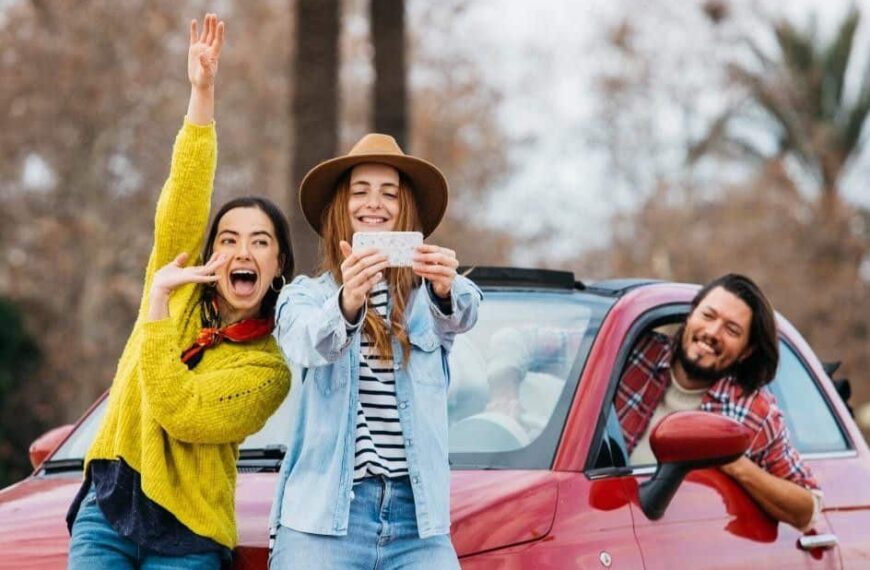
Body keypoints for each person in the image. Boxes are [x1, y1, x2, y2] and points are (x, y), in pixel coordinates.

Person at [66, 14, 292, 569]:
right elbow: (185, 196)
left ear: (279, 263)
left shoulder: (267, 368)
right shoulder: (179, 285)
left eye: (259, 242)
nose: (242, 251)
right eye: (229, 239)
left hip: (189, 532)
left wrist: (157, 309)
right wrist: (202, 93)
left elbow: (181, 412)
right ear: (211, 253)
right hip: (109, 507)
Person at [269, 134, 482, 569]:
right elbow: (307, 341)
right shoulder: (305, 297)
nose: (375, 203)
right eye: (360, 191)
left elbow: (466, 310)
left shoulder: (428, 296)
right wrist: (348, 299)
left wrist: (446, 284)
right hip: (325, 519)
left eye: (390, 193)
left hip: (418, 523)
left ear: (406, 211)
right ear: (339, 210)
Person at [615, 273, 822, 530]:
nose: (712, 332)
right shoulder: (629, 355)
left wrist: (735, 464)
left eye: (732, 330)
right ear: (690, 315)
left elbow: (808, 510)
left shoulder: (752, 411)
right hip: (605, 522)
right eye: (708, 316)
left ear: (746, 351)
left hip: (681, 543)